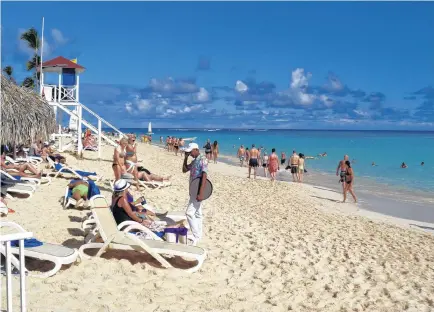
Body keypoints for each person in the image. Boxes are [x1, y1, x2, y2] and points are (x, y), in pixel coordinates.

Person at [111, 179, 184, 233]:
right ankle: (170, 228)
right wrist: (142, 221)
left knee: (145, 217)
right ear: (125, 189)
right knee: (149, 224)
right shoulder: (122, 199)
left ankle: (168, 227)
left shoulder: (114, 197)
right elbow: (131, 214)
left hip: (121, 223)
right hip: (127, 225)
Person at [182, 143, 208, 245]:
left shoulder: (203, 159)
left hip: (198, 190)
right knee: (197, 213)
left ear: (196, 149)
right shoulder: (194, 161)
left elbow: (204, 176)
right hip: (193, 190)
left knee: (189, 213)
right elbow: (184, 170)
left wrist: (201, 193)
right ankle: (199, 235)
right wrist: (185, 158)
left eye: (190, 151)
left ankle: (196, 235)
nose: (190, 153)